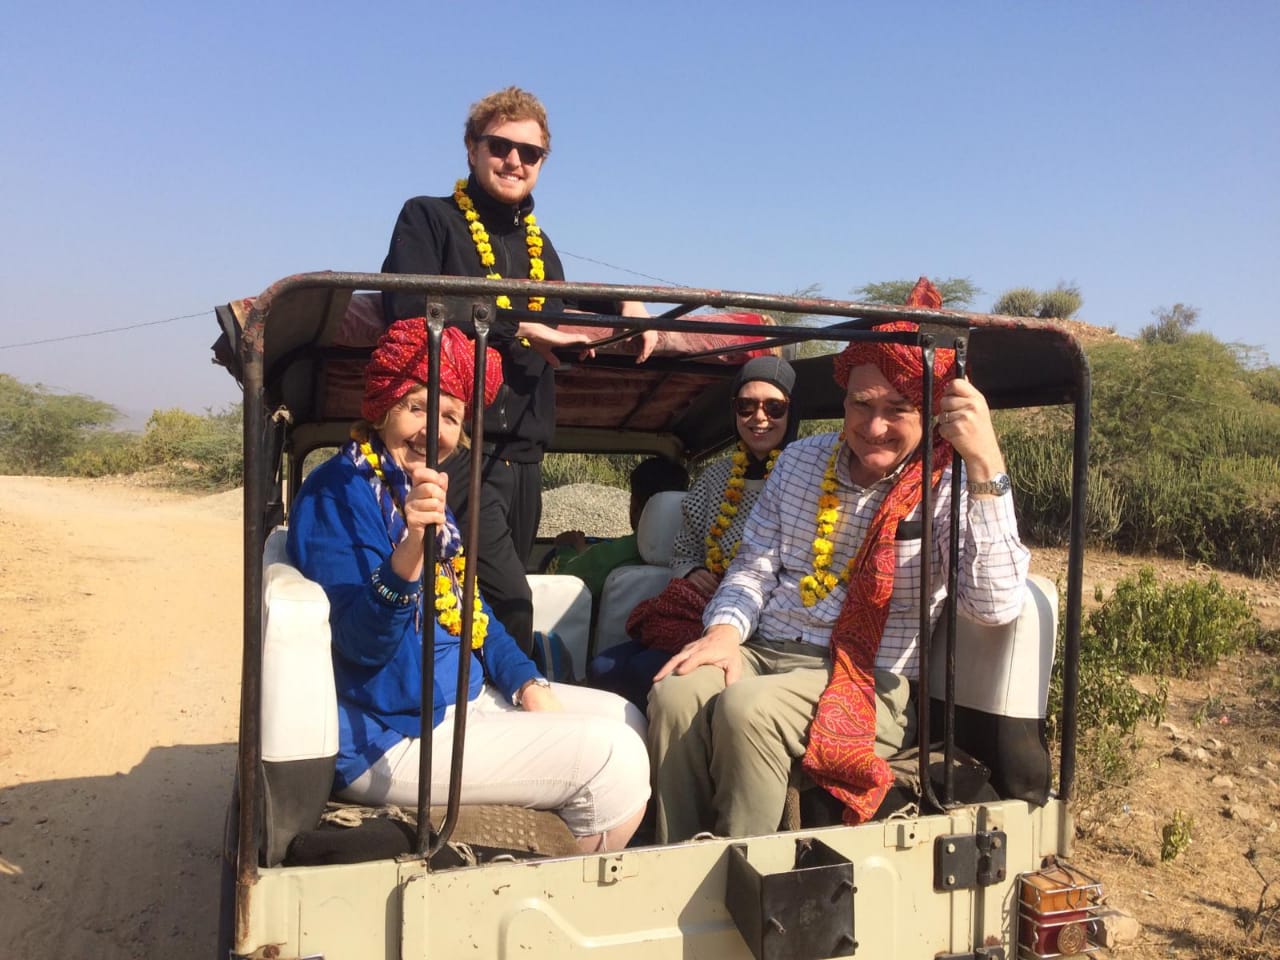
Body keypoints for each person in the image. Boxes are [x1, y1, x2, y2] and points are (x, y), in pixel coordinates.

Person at [646, 278, 1031, 843]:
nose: (874, 427)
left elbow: (994, 606)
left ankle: (742, 871)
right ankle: (673, 855)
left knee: (748, 709)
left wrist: (986, 459)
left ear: (931, 410)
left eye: (898, 409)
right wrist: (724, 632)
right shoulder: (801, 460)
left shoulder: (951, 483)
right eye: (861, 405)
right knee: (675, 692)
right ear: (843, 400)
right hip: (767, 648)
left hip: (871, 680)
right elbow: (754, 566)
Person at [287, 317, 650, 852]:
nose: (433, 431)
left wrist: (526, 683)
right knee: (614, 758)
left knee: (628, 717)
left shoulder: (415, 487)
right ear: (384, 408)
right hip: (392, 734)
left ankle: (548, 848)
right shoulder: (337, 494)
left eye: (451, 417)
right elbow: (361, 646)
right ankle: (542, 878)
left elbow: (471, 607)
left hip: (461, 698)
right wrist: (412, 548)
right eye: (417, 408)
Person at [381, 86, 654, 654]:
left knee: (494, 602)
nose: (514, 161)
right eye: (500, 146)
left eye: (530, 153)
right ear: (471, 148)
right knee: (507, 602)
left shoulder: (539, 246)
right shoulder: (428, 218)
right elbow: (409, 305)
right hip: (458, 449)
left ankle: (496, 697)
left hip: (525, 455)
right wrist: (516, 328)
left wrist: (625, 303)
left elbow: (560, 308)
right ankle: (516, 697)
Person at [589, 356, 799, 710]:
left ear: (792, 411)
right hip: (699, 607)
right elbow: (685, 547)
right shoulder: (715, 478)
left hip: (763, 620)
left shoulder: (806, 478)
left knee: (644, 671)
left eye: (774, 407)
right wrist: (692, 571)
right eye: (746, 406)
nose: (759, 417)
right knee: (603, 667)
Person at [544, 456, 691, 600]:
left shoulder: (609, 557)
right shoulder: (699, 559)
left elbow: (558, 586)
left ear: (634, 507)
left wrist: (565, 549)